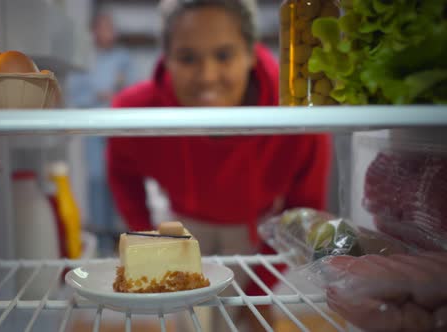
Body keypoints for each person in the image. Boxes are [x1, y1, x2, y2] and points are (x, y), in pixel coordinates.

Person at [106, 0, 331, 330]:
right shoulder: (137, 111)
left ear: (251, 53)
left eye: (224, 55)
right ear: (166, 59)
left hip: (253, 229)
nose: (207, 76)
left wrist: (260, 291)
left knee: (238, 318)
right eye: (187, 58)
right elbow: (122, 174)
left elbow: (303, 212)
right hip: (182, 225)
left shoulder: (294, 117)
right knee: (187, 321)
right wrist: (151, 239)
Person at [65, 9, 134, 255]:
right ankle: (100, 239)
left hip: (116, 128)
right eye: (103, 28)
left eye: (110, 28)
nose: (108, 33)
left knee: (117, 180)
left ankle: (121, 236)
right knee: (96, 179)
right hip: (94, 128)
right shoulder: (88, 60)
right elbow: (77, 92)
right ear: (94, 31)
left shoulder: (123, 57)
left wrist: (109, 92)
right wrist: (102, 92)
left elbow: (128, 91)